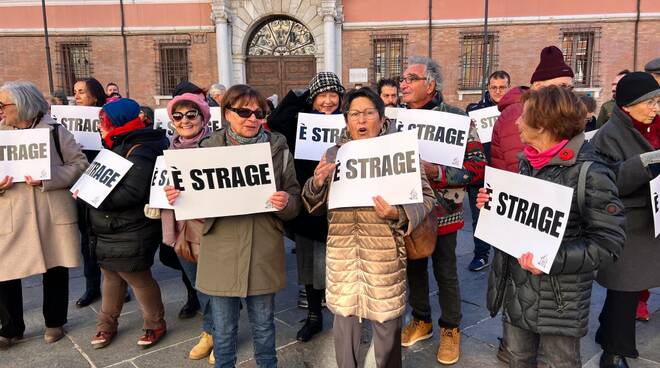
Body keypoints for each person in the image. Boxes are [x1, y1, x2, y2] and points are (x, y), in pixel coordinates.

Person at [478, 85, 626, 368]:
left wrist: (552, 261)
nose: (518, 122)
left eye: (524, 116)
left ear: (544, 123)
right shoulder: (526, 162)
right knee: (517, 360)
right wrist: (493, 205)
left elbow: (609, 242)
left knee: (558, 363)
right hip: (518, 291)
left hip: (560, 301)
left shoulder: (591, 171)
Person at [166, 84, 301, 368]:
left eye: (259, 113)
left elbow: (295, 198)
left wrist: (286, 201)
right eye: (243, 112)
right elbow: (194, 201)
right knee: (224, 330)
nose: (253, 118)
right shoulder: (206, 148)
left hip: (263, 244)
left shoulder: (278, 145)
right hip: (220, 248)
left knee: (264, 325)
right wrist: (178, 197)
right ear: (227, 113)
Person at [302, 87, 435, 368]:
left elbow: (427, 198)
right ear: (346, 120)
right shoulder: (333, 152)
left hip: (383, 255)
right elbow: (312, 205)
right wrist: (316, 183)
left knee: (387, 329)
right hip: (343, 255)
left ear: (381, 116)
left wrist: (397, 212)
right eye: (354, 114)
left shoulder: (401, 148)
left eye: (368, 113)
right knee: (344, 326)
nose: (361, 120)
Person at [489, 45, 575, 364]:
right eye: (560, 88)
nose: (568, 94)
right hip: (525, 223)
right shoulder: (520, 118)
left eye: (570, 88)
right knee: (521, 310)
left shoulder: (582, 153)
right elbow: (513, 172)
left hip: (541, 234)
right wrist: (500, 202)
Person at [399, 56, 486, 365]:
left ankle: (451, 328)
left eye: (411, 78)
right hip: (409, 212)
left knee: (446, 271)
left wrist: (436, 171)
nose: (403, 83)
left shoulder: (458, 119)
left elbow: (477, 169)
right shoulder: (395, 120)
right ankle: (421, 319)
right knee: (414, 268)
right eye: (403, 78)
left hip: (444, 212)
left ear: (431, 84)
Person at [0, 81, 88, 348]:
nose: (0, 111)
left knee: (55, 268)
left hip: (50, 210)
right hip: (12, 212)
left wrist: (47, 178)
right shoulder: (1, 133)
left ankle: (55, 322)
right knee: (6, 271)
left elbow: (80, 164)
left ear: (22, 104)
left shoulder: (55, 131)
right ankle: (10, 327)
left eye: (3, 105)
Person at [267, 71, 345, 342]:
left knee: (338, 266)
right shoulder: (299, 121)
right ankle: (314, 316)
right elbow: (275, 120)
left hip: (341, 205)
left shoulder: (347, 122)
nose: (327, 101)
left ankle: (344, 321)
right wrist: (299, 95)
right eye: (322, 95)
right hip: (308, 204)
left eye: (333, 94)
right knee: (309, 265)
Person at [85, 98, 169, 349]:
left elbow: (132, 192)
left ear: (117, 122)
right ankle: (106, 324)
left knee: (137, 276)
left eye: (103, 122)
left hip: (131, 226)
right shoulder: (118, 143)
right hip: (111, 226)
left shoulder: (140, 147)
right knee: (110, 275)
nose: (100, 126)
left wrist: (93, 197)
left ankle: (155, 323)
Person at [591, 72, 660, 368]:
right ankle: (613, 351)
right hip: (626, 224)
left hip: (653, 220)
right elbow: (607, 182)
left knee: (630, 289)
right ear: (629, 105)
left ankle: (607, 328)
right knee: (625, 287)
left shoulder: (655, 126)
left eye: (659, 101)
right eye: (651, 102)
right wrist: (644, 165)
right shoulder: (608, 135)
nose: (657, 108)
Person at [159, 93, 216, 364]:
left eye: (191, 114)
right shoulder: (167, 150)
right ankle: (210, 332)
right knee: (196, 284)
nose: (185, 121)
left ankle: (222, 334)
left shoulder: (215, 147)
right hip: (179, 227)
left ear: (203, 116)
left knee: (215, 285)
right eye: (178, 116)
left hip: (209, 228)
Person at [465, 70, 511, 272]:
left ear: (508, 88)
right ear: (488, 89)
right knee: (480, 217)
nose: (498, 91)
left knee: (506, 216)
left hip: (506, 173)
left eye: (502, 87)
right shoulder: (474, 111)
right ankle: (481, 254)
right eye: (494, 87)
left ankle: (504, 257)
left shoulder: (516, 110)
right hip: (481, 174)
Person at [72, 77, 112, 308]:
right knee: (86, 238)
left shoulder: (107, 119)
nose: (76, 96)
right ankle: (91, 287)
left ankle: (117, 285)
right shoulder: (66, 123)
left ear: (95, 96)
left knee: (107, 238)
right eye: (75, 92)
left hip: (104, 183)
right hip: (80, 186)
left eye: (82, 92)